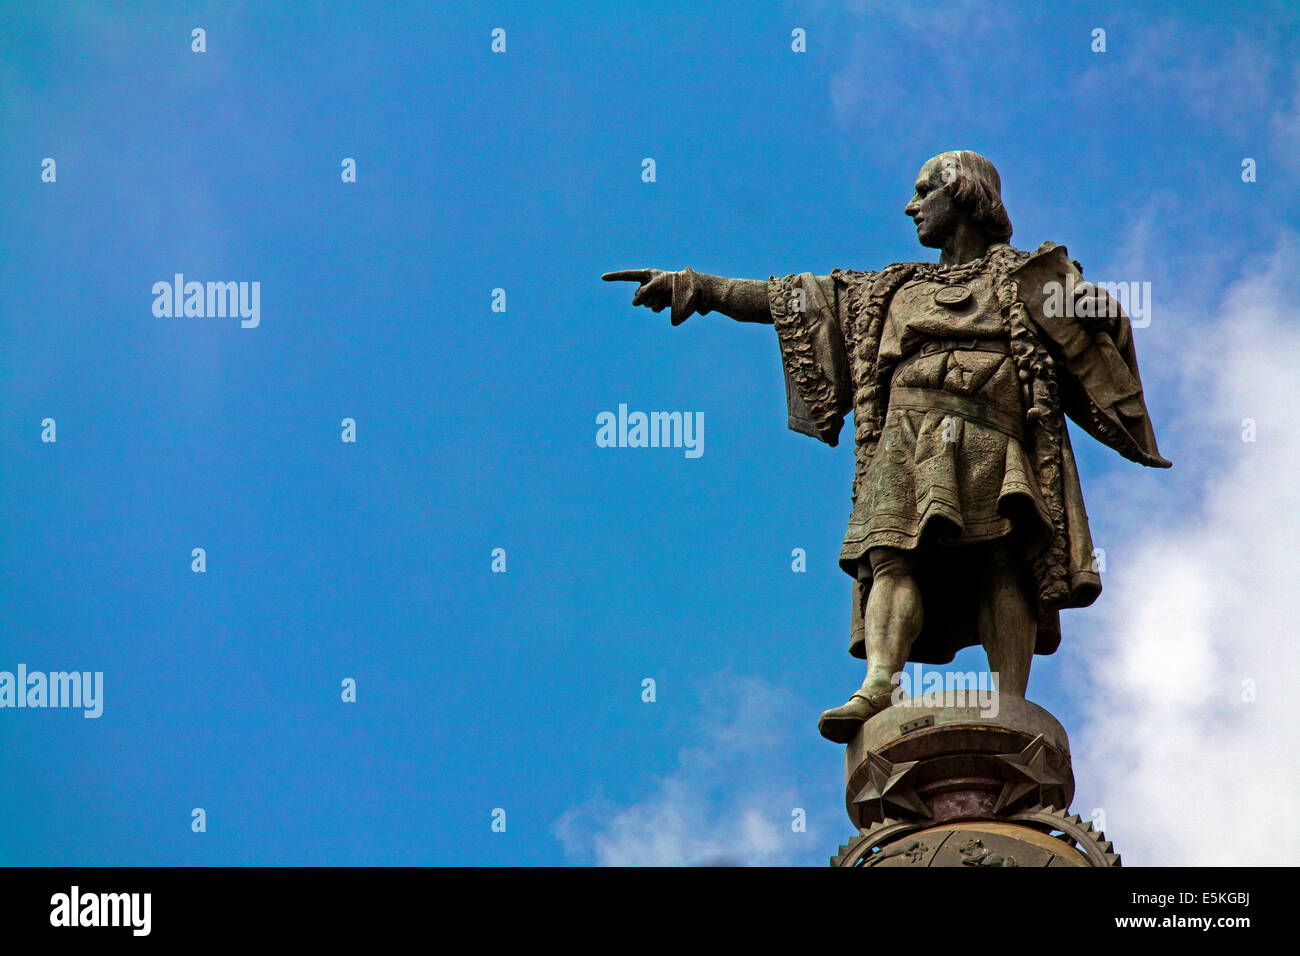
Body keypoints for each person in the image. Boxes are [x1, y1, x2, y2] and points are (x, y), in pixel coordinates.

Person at [604, 150, 1169, 743]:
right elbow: (790, 300)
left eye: (925, 191)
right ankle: (879, 685)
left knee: (1006, 555)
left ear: (964, 193)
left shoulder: (1031, 277)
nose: (911, 206)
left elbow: (1099, 341)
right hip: (906, 437)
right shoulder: (888, 289)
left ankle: (1007, 701)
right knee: (889, 556)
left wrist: (1099, 312)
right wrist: (700, 287)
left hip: (995, 430)